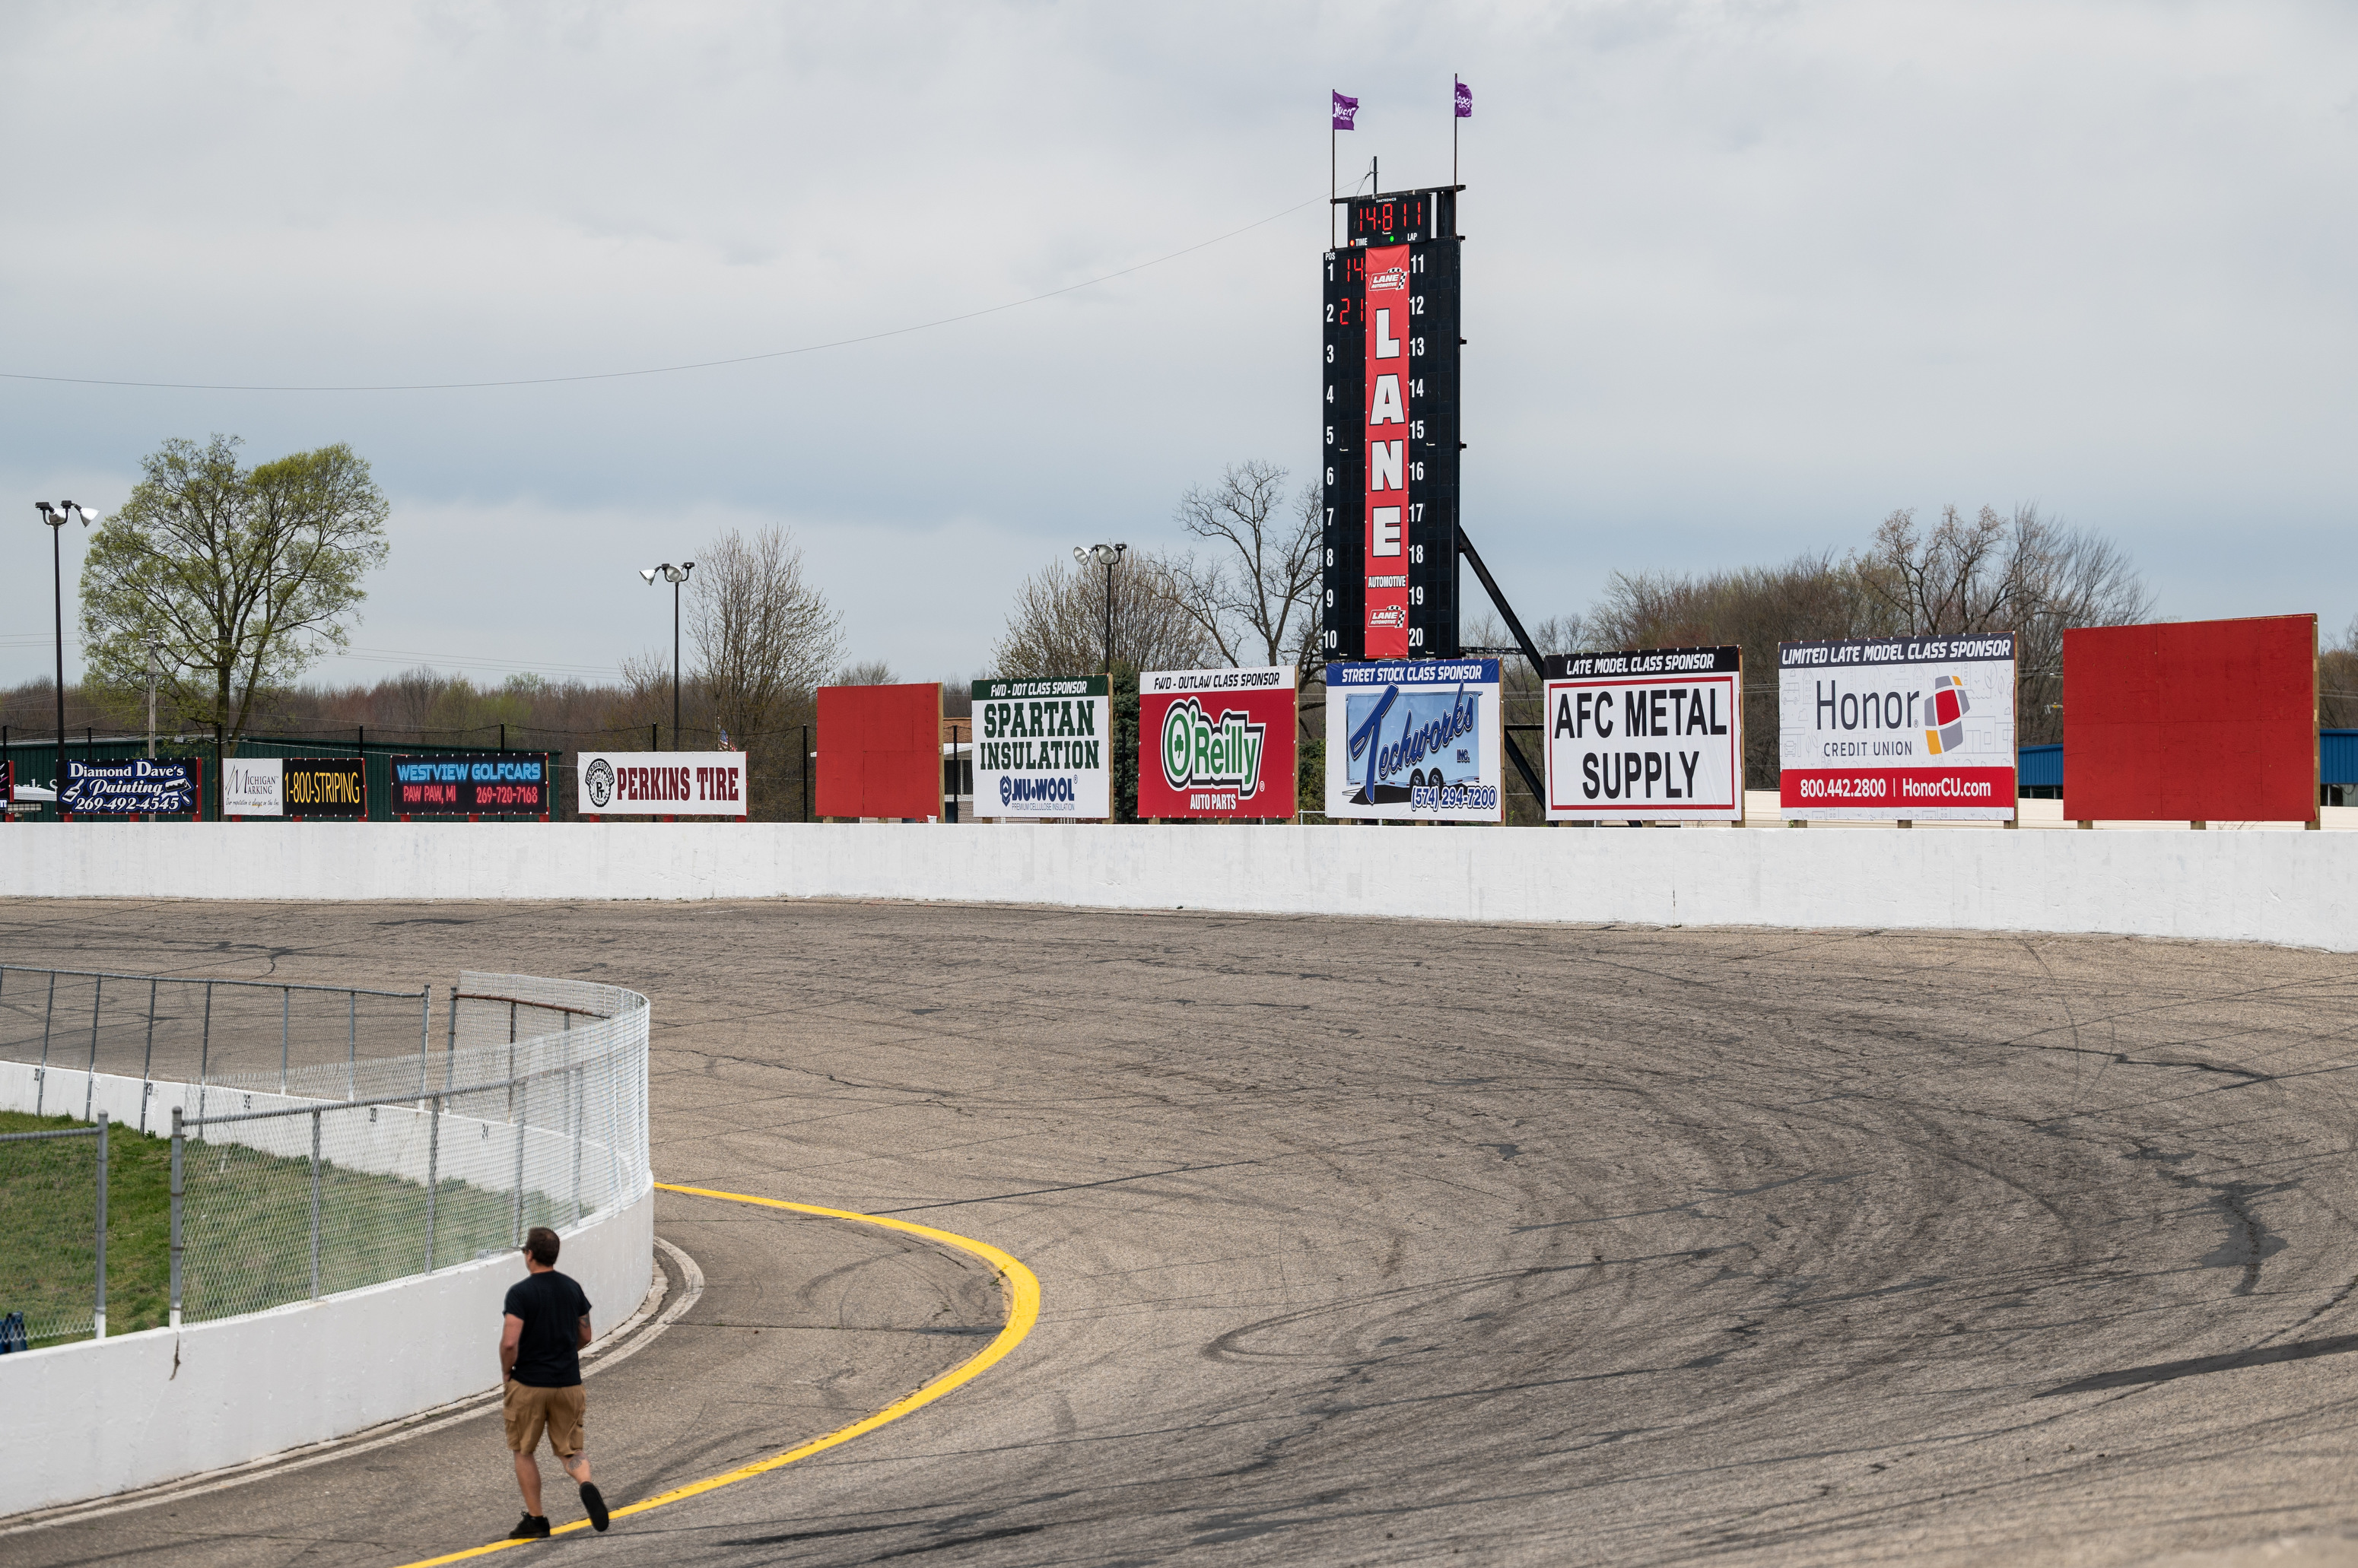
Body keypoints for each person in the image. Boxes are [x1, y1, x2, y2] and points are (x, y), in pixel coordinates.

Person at [499, 1226, 609, 1538]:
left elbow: (509, 1343)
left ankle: (537, 1520)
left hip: (530, 1384)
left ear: (530, 1254)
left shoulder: (520, 1293)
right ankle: (586, 1484)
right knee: (571, 1450)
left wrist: (508, 1372)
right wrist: (562, 1352)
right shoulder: (572, 1288)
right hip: (568, 1383)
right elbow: (586, 1334)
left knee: (524, 1450)